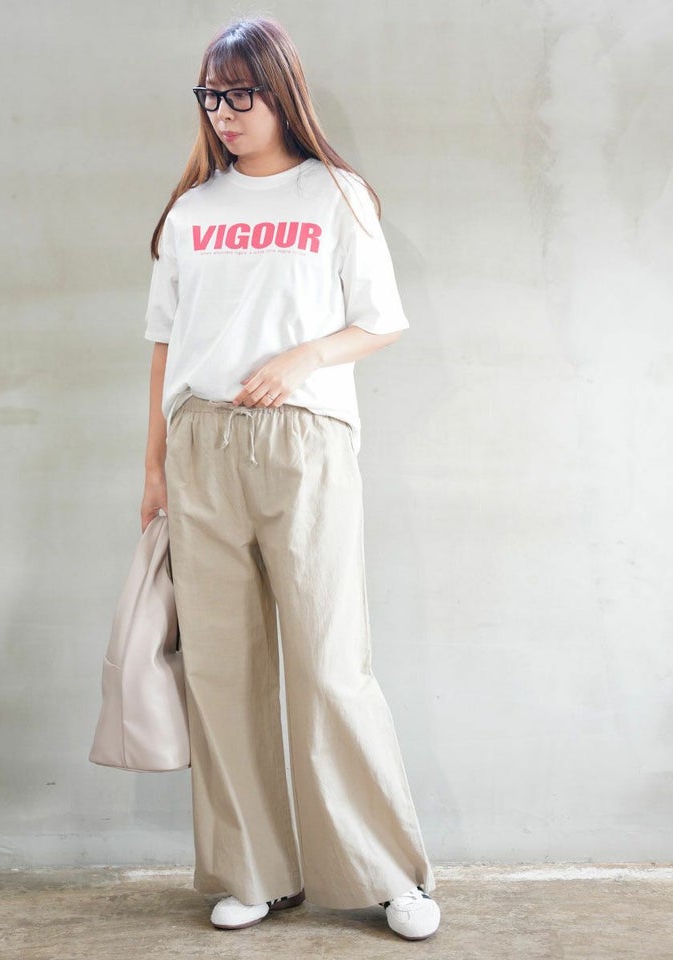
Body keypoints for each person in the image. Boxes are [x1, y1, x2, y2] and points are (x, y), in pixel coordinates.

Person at [140, 15, 441, 942]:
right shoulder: (190, 212)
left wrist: (304, 357)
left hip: (304, 442)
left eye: (240, 94)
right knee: (221, 670)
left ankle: (388, 874)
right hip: (200, 445)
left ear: (280, 92)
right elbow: (163, 346)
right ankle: (255, 871)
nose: (224, 113)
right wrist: (152, 466)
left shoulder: (336, 194)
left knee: (331, 665)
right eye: (211, 96)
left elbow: (381, 320)